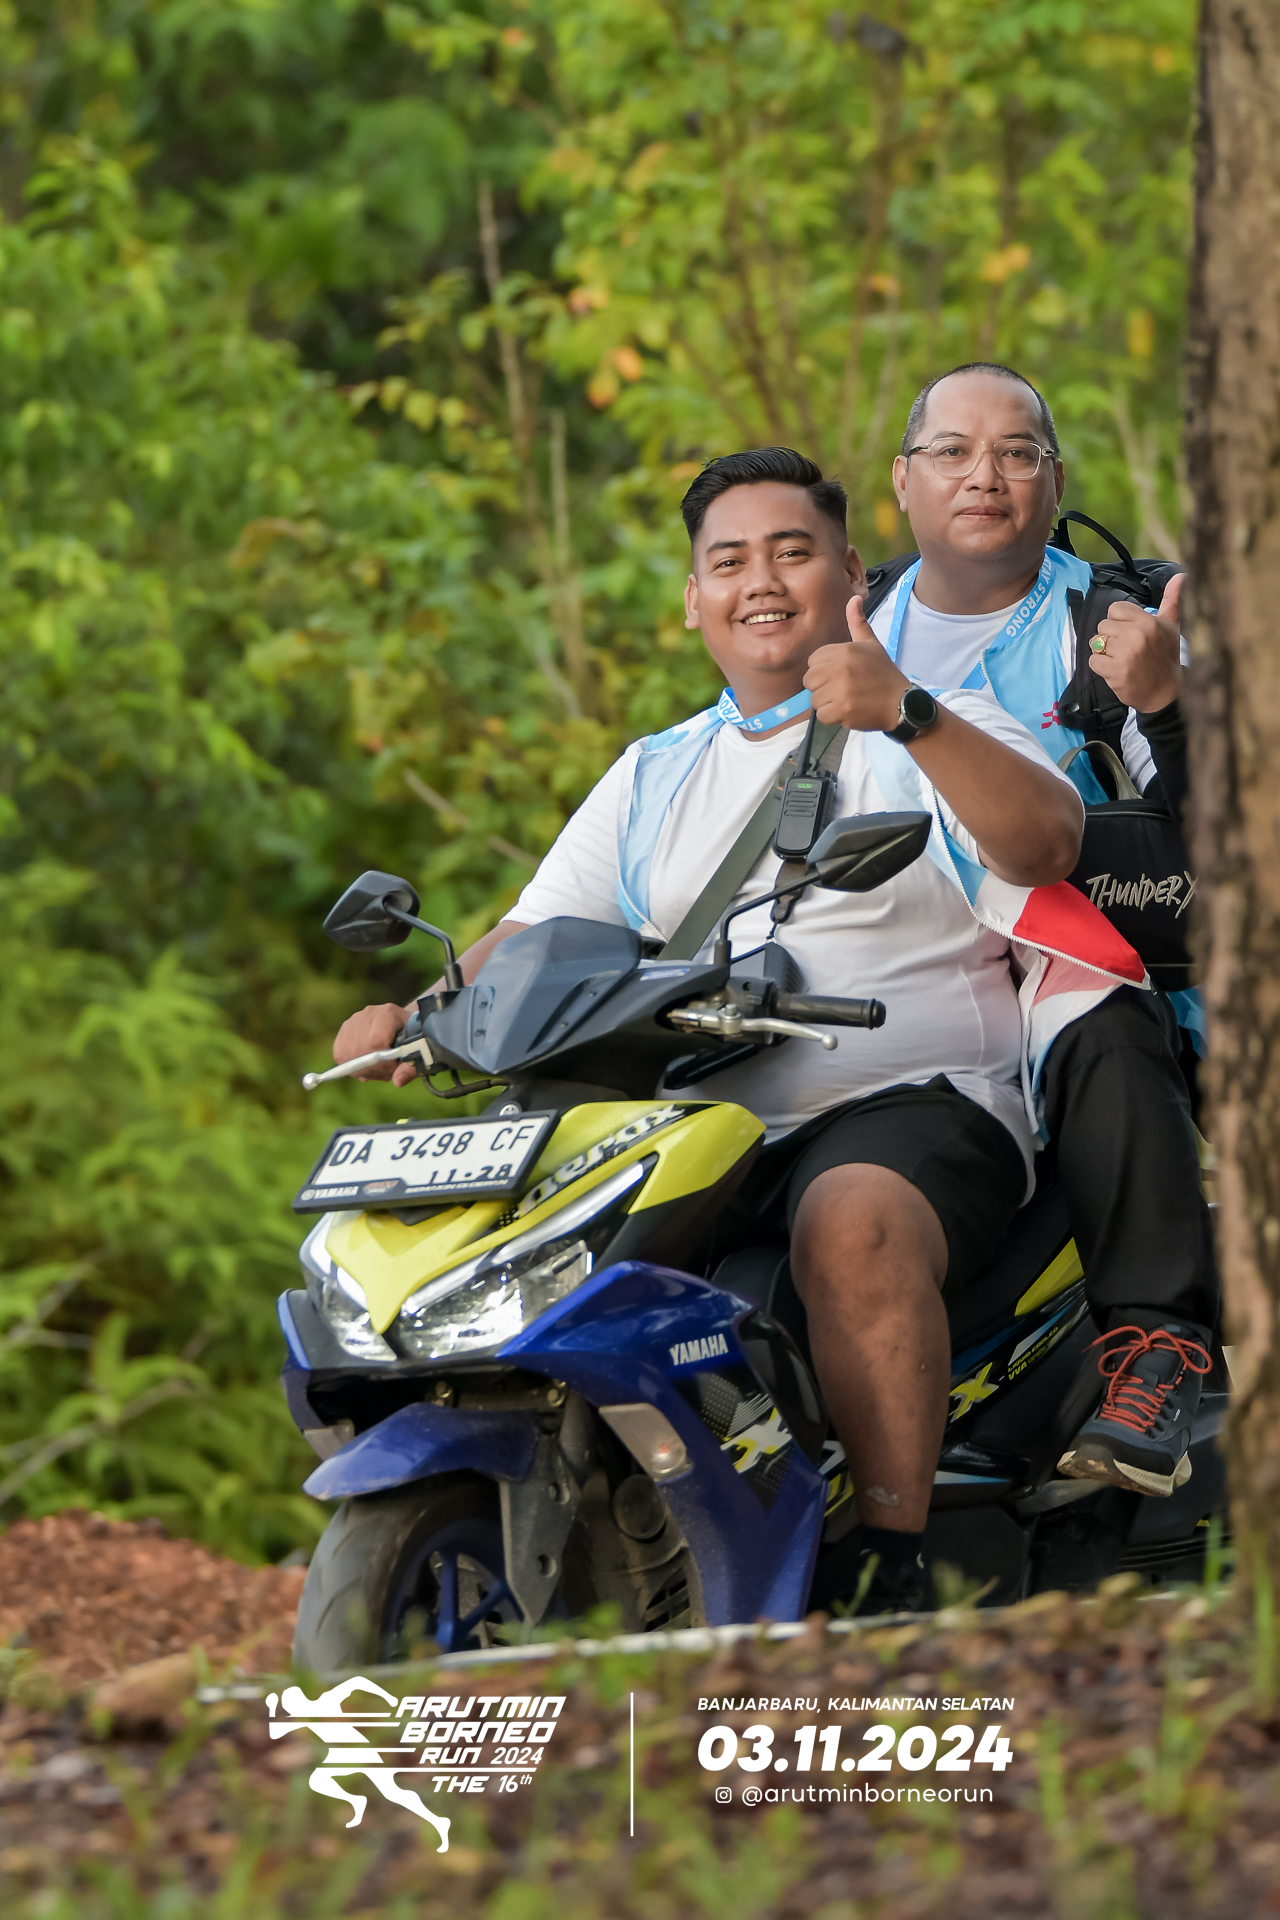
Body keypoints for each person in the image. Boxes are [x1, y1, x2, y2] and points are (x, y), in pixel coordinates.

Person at [334, 448, 1091, 1613]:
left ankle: (889, 1562)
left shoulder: (932, 721)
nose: (761, 582)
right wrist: (418, 1016)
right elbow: (533, 929)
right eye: (727, 562)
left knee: (848, 1222)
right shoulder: (654, 771)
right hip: (697, 1116)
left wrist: (909, 712)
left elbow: (1045, 843)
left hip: (911, 1102)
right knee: (530, 1252)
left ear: (851, 572)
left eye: (791, 553)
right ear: (692, 599)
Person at [867, 361, 1217, 1500]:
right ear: (902, 482)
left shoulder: (1108, 628)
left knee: (1098, 1007)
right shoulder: (846, 622)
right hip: (879, 961)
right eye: (952, 452)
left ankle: (1155, 1352)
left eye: (1017, 453)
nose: (985, 476)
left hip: (1079, 958)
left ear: (1054, 485)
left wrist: (1167, 703)